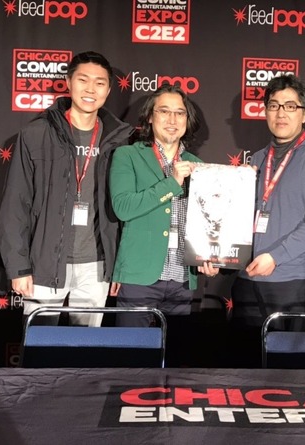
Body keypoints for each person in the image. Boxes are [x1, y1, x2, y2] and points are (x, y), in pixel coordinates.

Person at [0, 51, 133, 327]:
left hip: (96, 265)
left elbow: (127, 208)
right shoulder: (36, 134)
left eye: (99, 83)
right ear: (69, 83)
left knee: (84, 347)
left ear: (108, 90)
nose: (91, 89)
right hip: (44, 263)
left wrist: (118, 266)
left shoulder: (120, 140)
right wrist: (18, 267)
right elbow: (16, 204)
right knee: (40, 345)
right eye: (83, 80)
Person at [230, 74, 305, 367]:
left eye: (290, 106)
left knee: (290, 375)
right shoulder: (256, 161)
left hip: (292, 282)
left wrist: (275, 256)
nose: (281, 113)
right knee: (243, 371)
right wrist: (219, 256)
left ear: (304, 113)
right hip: (247, 280)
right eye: (274, 105)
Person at [109, 84, 217, 364]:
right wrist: (172, 183)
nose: (172, 119)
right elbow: (123, 208)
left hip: (182, 277)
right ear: (150, 117)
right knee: (130, 359)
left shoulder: (198, 165)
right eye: (164, 111)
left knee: (176, 361)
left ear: (187, 120)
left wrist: (211, 256)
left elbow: (209, 221)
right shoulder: (128, 156)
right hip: (140, 276)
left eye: (179, 113)